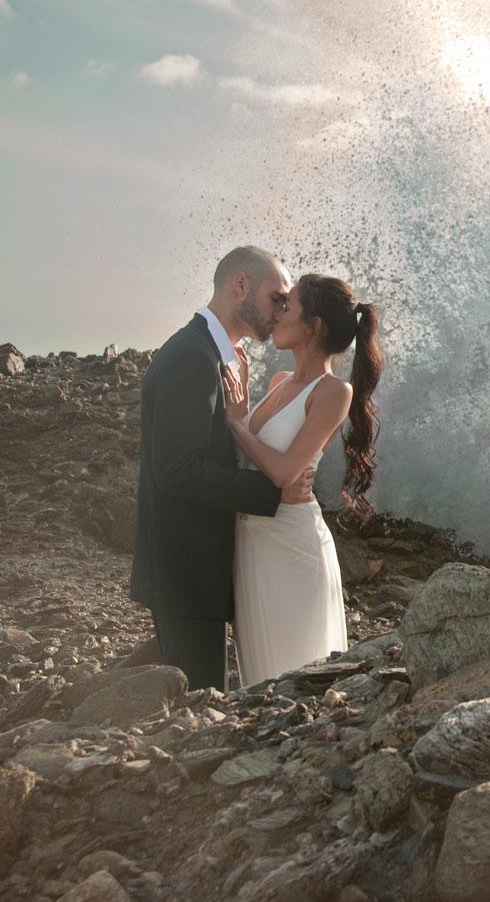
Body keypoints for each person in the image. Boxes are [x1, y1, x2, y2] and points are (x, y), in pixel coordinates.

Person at [130, 246, 315, 691]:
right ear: (240, 285)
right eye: (277, 297)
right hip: (186, 573)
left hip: (194, 571)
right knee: (197, 706)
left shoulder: (210, 355)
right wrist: (271, 493)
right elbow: (178, 469)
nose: (281, 310)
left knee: (193, 696)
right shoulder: (192, 357)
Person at [227, 274, 382, 686]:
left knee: (294, 679)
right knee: (259, 679)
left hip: (293, 545)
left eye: (287, 307)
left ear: (312, 325)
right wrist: (240, 403)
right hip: (253, 539)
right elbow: (256, 458)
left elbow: (282, 471)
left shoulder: (334, 391)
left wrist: (235, 424)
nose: (276, 315)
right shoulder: (279, 383)